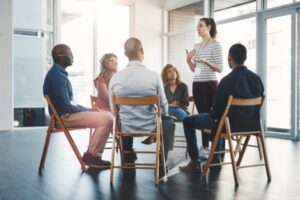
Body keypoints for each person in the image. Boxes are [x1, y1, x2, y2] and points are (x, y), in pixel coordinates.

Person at [179, 43, 264, 172]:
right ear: (244, 57)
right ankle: (215, 157)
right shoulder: (257, 79)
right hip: (252, 125)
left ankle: (195, 161)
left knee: (189, 120)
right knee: (219, 119)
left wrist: (213, 112)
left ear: (230, 59)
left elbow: (216, 112)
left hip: (229, 126)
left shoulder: (227, 81)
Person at [43, 44, 113, 169]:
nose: (73, 57)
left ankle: (91, 155)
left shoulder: (58, 73)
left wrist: (90, 110)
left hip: (65, 114)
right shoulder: (57, 77)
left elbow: (69, 104)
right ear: (61, 58)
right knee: (107, 118)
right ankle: (93, 156)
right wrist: (88, 110)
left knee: (105, 116)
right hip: (64, 117)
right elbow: (66, 106)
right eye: (70, 54)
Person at [109, 37, 175, 164]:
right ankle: (162, 161)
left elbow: (113, 110)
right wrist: (161, 115)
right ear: (142, 50)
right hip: (150, 127)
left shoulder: (115, 78)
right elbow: (164, 105)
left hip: (126, 128)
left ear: (125, 54)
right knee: (167, 121)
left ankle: (127, 156)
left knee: (122, 118)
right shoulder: (154, 76)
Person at [185, 17, 223, 159]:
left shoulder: (215, 45)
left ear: (208, 27)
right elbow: (195, 69)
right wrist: (188, 61)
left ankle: (215, 149)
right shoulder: (196, 46)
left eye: (201, 26)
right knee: (201, 116)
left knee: (211, 117)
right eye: (197, 26)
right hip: (197, 84)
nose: (198, 28)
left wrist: (207, 62)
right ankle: (205, 147)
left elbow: (220, 68)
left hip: (210, 84)